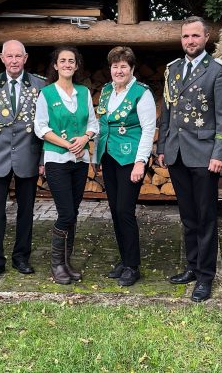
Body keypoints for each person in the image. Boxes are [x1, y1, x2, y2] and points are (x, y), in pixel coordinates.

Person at [157, 16, 222, 302]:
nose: (190, 41)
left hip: (204, 155)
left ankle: (206, 276)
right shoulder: (173, 69)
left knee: (205, 218)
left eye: (195, 36)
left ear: (206, 38)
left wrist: (220, 153)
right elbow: (167, 111)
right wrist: (163, 146)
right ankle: (192, 266)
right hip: (177, 152)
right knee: (188, 216)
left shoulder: (218, 70)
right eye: (185, 37)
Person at [0, 40, 46, 281]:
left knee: (26, 211)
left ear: (25, 58)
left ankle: (21, 257)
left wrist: (43, 159)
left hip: (28, 156)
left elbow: (46, 126)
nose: (14, 60)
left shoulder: (39, 85)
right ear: (2, 58)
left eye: (18, 56)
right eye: (9, 56)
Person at [34, 46, 99, 285]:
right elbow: (40, 127)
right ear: (55, 66)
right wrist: (67, 144)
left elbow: (93, 123)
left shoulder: (83, 92)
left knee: (74, 213)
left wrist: (84, 138)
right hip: (57, 160)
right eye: (63, 61)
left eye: (71, 60)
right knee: (66, 213)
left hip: (79, 162)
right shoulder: (47, 94)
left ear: (77, 65)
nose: (67, 64)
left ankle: (67, 262)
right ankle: (56, 264)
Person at [94, 46, 155, 287]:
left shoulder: (142, 93)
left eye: (123, 66)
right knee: (115, 210)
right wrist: (95, 156)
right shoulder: (107, 90)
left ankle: (133, 265)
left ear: (131, 69)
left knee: (125, 211)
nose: (118, 70)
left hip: (130, 159)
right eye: (115, 66)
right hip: (109, 156)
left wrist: (141, 161)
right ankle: (124, 259)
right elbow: (102, 123)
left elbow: (148, 129)